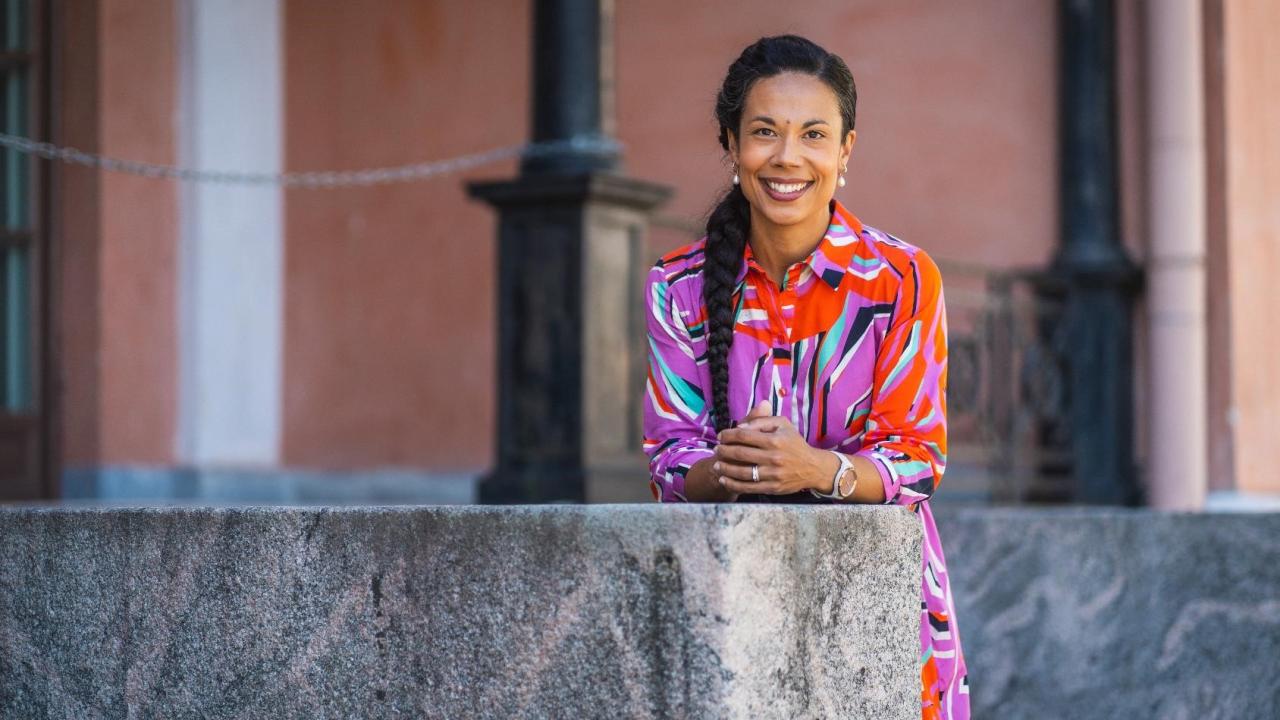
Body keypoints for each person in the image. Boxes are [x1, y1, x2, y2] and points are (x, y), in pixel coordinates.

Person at [642, 35, 969, 719]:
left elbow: (916, 459)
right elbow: (671, 461)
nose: (787, 157)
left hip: (883, 608)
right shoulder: (676, 287)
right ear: (731, 145)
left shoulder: (902, 280)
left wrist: (815, 469)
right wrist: (739, 467)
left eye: (813, 134)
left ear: (845, 151)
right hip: (728, 608)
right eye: (764, 132)